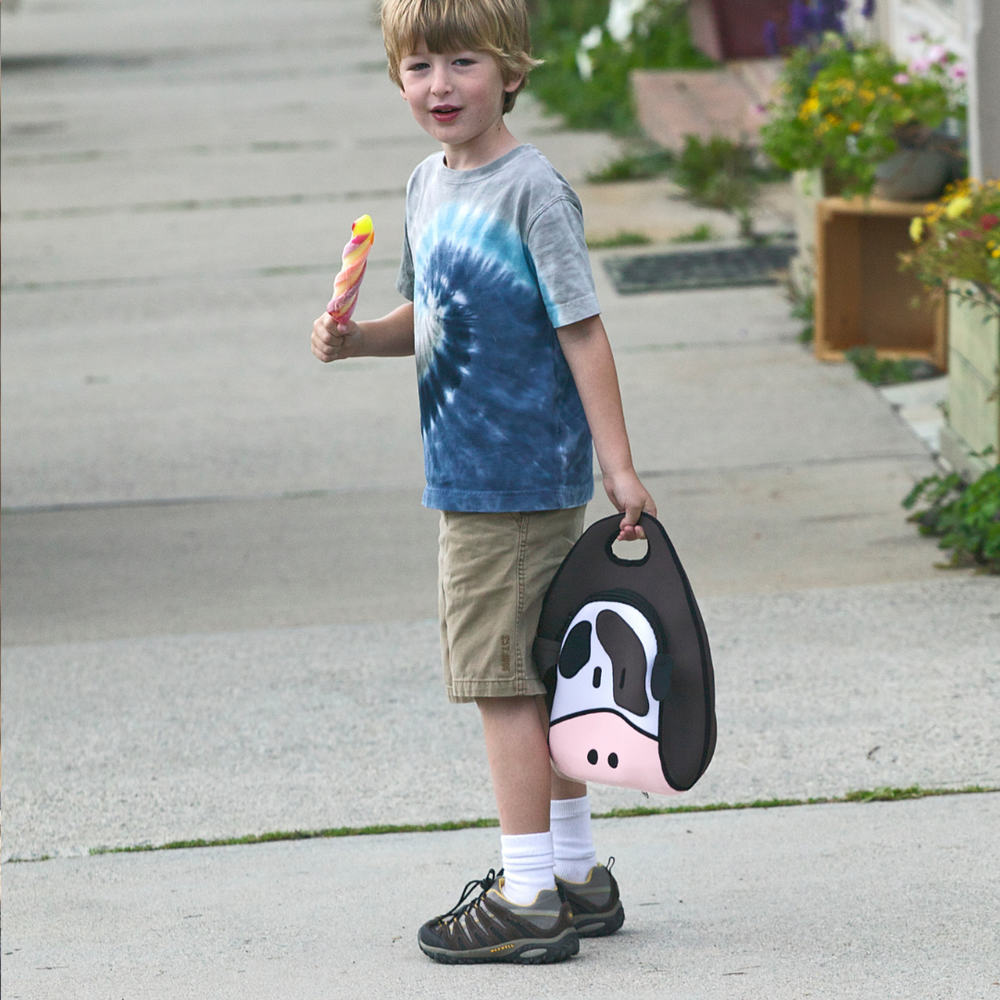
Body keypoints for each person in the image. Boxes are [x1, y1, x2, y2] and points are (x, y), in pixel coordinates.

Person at [311, 0, 656, 965]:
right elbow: (424, 316)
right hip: (473, 472)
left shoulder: (532, 191)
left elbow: (580, 328)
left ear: (511, 70)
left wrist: (618, 465)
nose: (440, 87)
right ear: (397, 78)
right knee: (537, 671)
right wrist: (354, 339)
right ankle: (579, 873)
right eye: (419, 67)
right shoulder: (427, 184)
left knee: (503, 684)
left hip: (513, 480)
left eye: (463, 63)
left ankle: (528, 894)